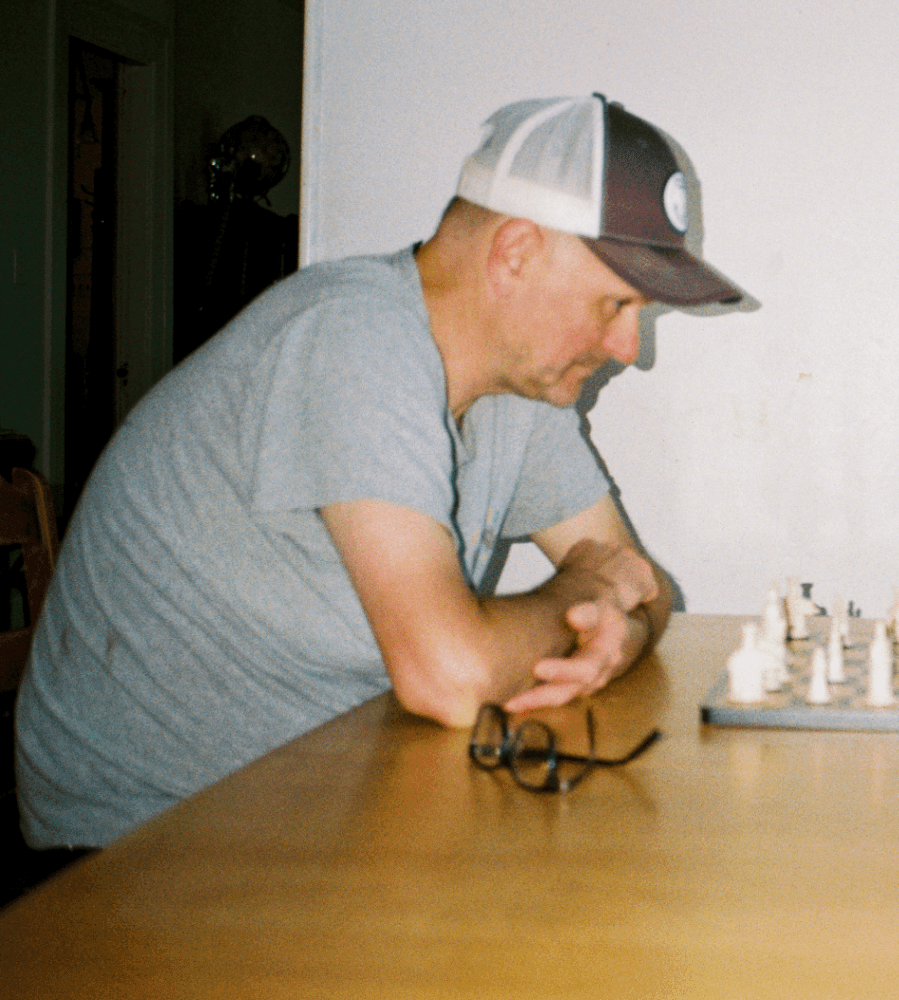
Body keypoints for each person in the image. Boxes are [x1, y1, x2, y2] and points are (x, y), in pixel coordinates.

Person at [16, 94, 748, 848]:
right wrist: (584, 596)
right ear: (516, 253)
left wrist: (618, 635)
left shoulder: (520, 386)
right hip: (134, 850)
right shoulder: (354, 337)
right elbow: (452, 677)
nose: (630, 346)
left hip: (317, 795)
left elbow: (640, 580)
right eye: (616, 302)